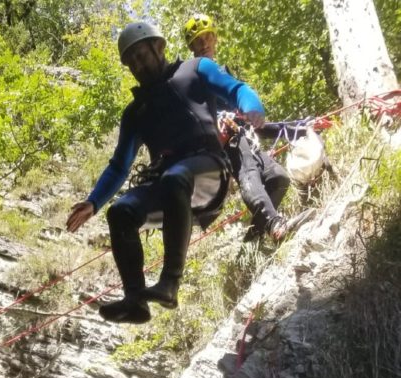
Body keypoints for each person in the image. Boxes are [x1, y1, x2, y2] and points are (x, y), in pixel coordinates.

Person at [66, 21, 266, 324]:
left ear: (158, 47)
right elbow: (120, 165)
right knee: (121, 212)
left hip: (209, 168)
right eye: (130, 61)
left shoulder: (196, 69)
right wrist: (94, 202)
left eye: (141, 55)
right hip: (171, 183)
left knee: (176, 178)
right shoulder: (135, 113)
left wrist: (252, 107)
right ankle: (135, 301)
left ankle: (170, 283)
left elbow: (235, 89)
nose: (137, 64)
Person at [183, 14, 305, 242]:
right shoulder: (194, 73)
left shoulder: (220, 73)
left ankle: (254, 238)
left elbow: (238, 98)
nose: (205, 44)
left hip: (241, 133)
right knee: (248, 171)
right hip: (223, 140)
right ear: (192, 47)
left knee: (278, 177)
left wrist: (282, 127)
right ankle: (274, 224)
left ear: (215, 38)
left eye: (208, 37)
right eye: (199, 41)